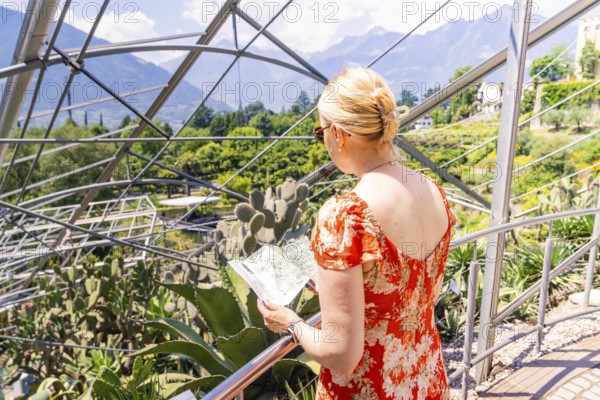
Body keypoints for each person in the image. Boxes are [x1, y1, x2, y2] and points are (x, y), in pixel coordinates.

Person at [257, 66, 459, 399]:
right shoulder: (432, 190)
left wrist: (291, 323)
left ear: (337, 133)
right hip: (426, 381)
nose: (323, 142)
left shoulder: (345, 216)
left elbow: (340, 354)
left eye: (320, 133)